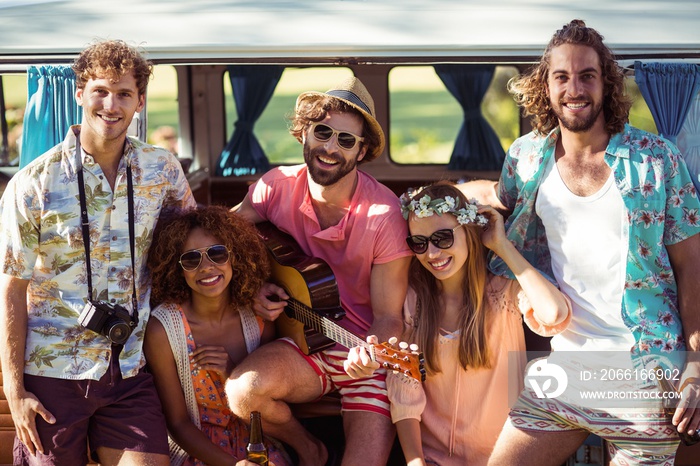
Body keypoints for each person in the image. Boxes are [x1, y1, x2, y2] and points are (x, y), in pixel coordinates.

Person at [458, 20, 700, 465]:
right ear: (545, 87)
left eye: (587, 75)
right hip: (565, 369)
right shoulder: (527, 157)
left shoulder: (657, 158)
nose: (575, 88)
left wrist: (696, 365)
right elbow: (501, 197)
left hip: (647, 376)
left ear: (606, 84)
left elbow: (692, 267)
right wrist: (434, 199)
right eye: (562, 76)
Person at [0, 39, 195, 465]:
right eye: (100, 91)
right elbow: (12, 287)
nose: (112, 104)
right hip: (51, 373)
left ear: (140, 101)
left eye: (124, 93)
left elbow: (196, 247)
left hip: (128, 368)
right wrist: (15, 392)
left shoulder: (162, 170)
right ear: (79, 94)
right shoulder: (33, 183)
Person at [226, 76, 413, 466]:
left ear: (362, 152)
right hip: (304, 345)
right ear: (304, 134)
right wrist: (253, 287)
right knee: (243, 392)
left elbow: (387, 316)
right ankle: (309, 450)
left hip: (365, 356)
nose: (330, 148)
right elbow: (219, 237)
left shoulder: (384, 215)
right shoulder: (275, 186)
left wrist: (370, 354)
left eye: (346, 140)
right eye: (323, 132)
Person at [375, 182, 571, 466]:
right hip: (432, 459)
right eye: (419, 242)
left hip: (501, 458)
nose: (432, 253)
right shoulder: (413, 302)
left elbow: (553, 313)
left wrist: (502, 246)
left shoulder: (503, 293)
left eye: (443, 238)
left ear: (468, 232)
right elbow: (405, 388)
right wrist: (415, 461)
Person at [144, 206, 292, 466]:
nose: (206, 267)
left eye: (217, 253)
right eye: (191, 259)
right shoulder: (162, 330)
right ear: (177, 268)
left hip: (258, 444)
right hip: (198, 452)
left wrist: (233, 373)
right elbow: (177, 423)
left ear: (235, 256)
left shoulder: (259, 321)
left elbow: (271, 405)